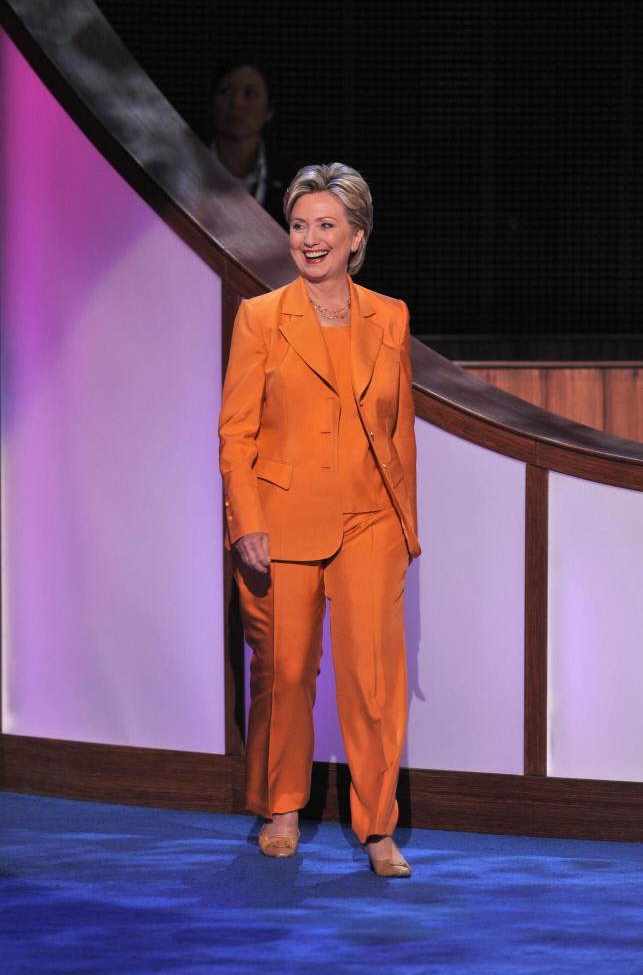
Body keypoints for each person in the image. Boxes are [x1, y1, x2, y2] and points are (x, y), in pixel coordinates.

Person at [218, 162, 421, 877]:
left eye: (325, 225)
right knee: (284, 671)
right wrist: (245, 521)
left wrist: (405, 529)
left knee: (372, 679)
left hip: (370, 521)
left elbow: (400, 434)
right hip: (282, 521)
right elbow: (235, 433)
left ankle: (377, 828)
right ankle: (280, 807)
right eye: (300, 225)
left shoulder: (388, 316)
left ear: (356, 235)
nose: (309, 239)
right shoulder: (261, 317)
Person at [207, 60, 289, 224]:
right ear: (212, 104)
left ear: (268, 111)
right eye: (226, 92)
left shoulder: (294, 182)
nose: (237, 103)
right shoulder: (183, 172)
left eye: (250, 94)